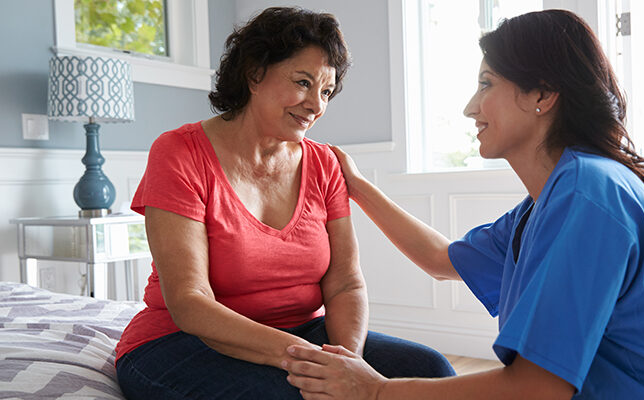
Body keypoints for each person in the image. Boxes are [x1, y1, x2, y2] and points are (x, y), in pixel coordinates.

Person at [283, 9, 644, 400]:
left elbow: (536, 389)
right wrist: (358, 184)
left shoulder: (590, 194)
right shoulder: (547, 203)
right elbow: (441, 259)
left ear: (542, 93)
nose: (470, 107)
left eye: (486, 84)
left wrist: (377, 391)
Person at [114, 7, 454, 399]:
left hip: (303, 332)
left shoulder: (324, 163)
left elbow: (344, 282)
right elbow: (190, 302)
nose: (316, 105)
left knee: (431, 370)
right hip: (180, 343)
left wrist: (347, 363)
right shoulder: (178, 152)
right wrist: (309, 362)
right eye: (303, 82)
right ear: (255, 73)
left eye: (326, 91)